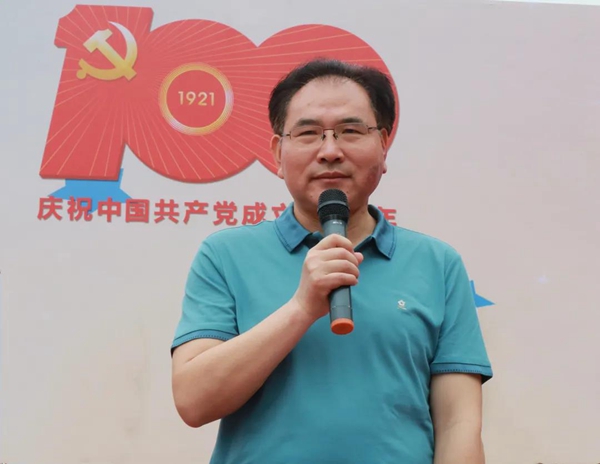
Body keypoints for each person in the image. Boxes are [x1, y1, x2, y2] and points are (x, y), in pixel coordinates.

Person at [170, 58, 493, 463]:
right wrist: (302, 308)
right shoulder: (225, 255)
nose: (329, 151)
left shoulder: (437, 264)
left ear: (384, 145)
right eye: (308, 133)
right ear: (278, 153)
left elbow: (459, 423)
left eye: (350, 131)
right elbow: (194, 401)